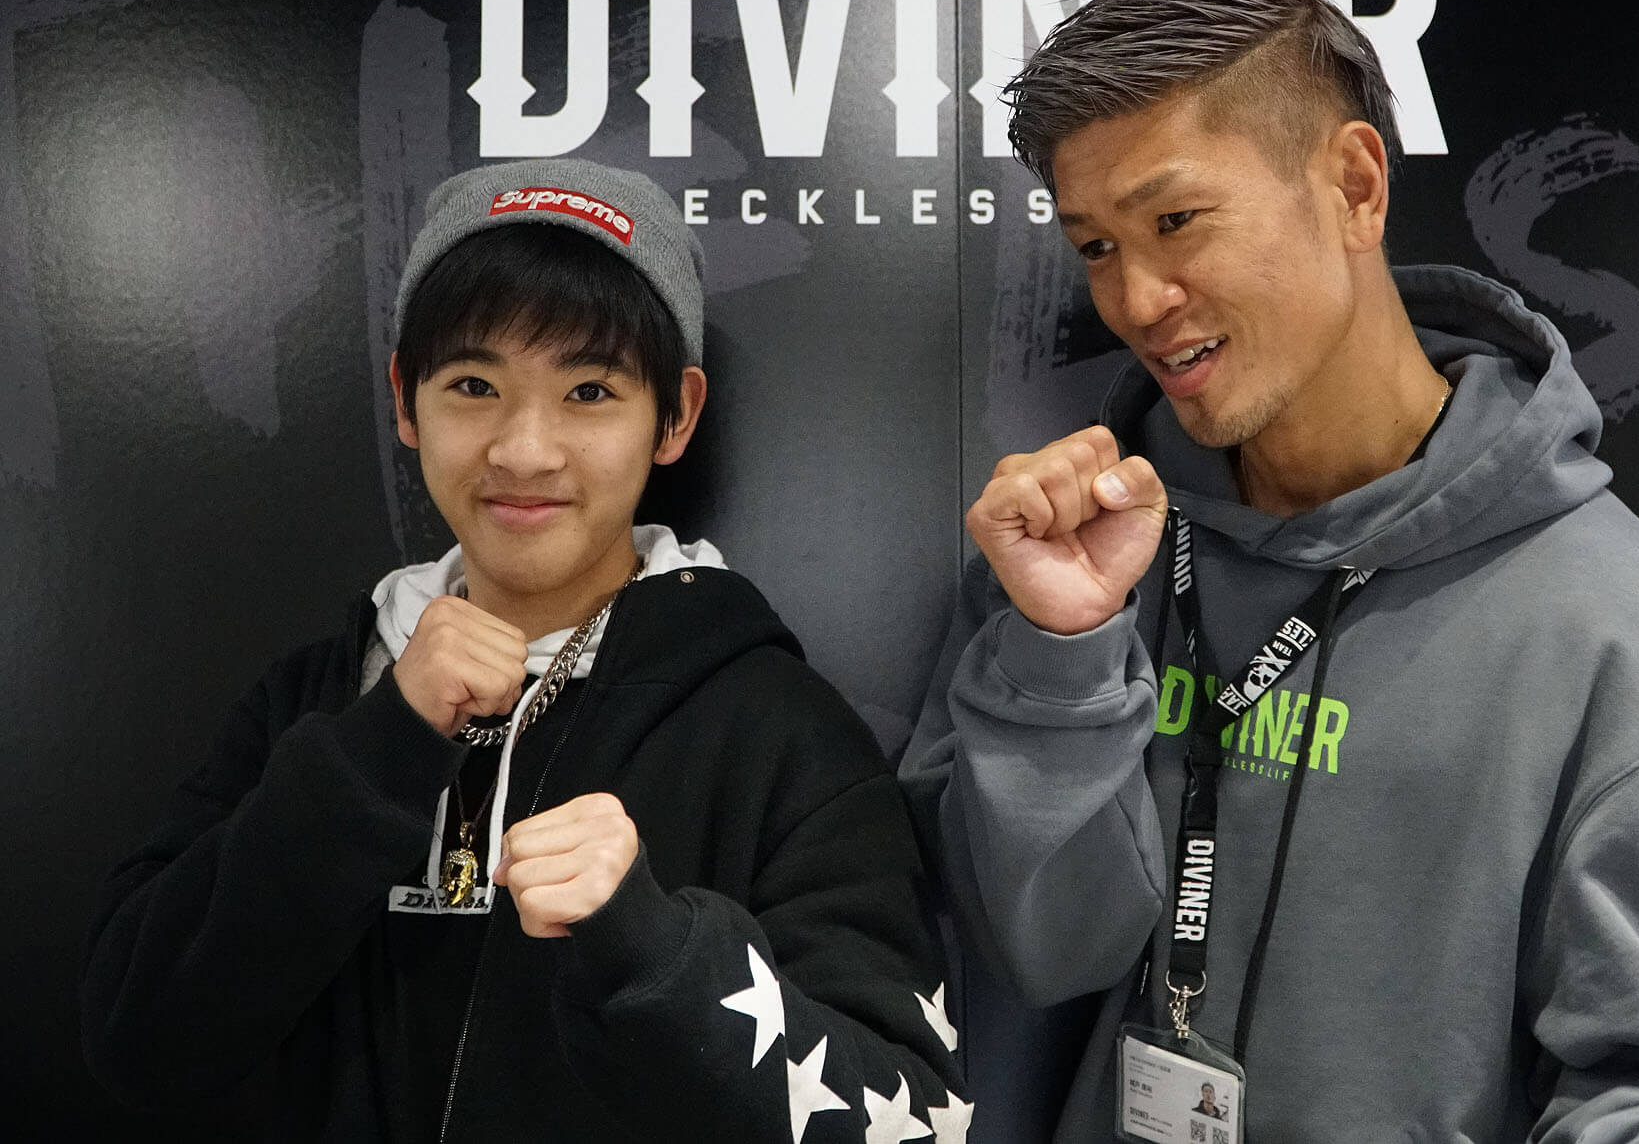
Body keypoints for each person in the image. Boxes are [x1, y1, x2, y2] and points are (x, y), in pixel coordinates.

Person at [899, 0, 1639, 1142]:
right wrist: (1062, 651)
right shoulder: (1073, 564)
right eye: (1097, 246)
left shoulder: (1606, 625)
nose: (1137, 298)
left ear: (1354, 185)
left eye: (1174, 220)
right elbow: (1040, 953)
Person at [82, 160, 972, 1142]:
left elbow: (911, 1121)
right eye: (474, 384)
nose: (524, 450)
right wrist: (378, 750)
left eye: (589, 390)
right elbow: (138, 1042)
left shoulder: (778, 730)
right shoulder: (313, 701)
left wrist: (660, 953)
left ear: (674, 414)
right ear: (406, 399)